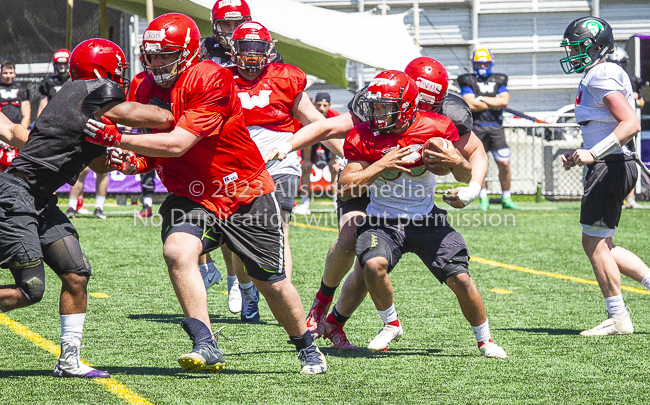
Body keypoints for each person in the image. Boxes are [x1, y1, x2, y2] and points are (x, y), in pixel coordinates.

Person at [86, 13, 327, 374]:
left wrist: (117, 137)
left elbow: (179, 143)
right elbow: (150, 153)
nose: (156, 63)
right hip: (191, 194)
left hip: (243, 190)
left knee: (270, 283)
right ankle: (205, 342)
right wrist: (127, 160)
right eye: (151, 55)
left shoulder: (210, 77)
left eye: (165, 54)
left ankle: (305, 344)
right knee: (177, 251)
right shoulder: (143, 85)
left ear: (187, 52)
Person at [265, 57, 488, 350]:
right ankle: (321, 304)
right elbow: (326, 129)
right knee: (351, 238)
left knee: (368, 264)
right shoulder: (378, 109)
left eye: (427, 104)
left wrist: (472, 186)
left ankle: (335, 323)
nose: (421, 109)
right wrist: (287, 145)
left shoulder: (445, 118)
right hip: (367, 173)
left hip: (413, 203)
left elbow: (475, 152)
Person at [0, 38, 174, 378]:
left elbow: (98, 164)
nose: (122, 76)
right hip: (16, 195)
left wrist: (118, 155)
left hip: (38, 199)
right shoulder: (91, 91)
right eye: (119, 69)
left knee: (76, 274)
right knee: (30, 289)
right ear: (104, 70)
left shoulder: (75, 96)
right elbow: (155, 118)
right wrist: (174, 111)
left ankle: (68, 360)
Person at [336, 70, 506, 357]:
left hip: (426, 217)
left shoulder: (437, 126)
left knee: (461, 277)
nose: (376, 113)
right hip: (382, 219)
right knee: (372, 264)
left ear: (405, 107)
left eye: (384, 106)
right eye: (374, 105)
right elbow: (345, 187)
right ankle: (390, 324)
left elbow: (465, 174)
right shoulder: (363, 136)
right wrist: (379, 164)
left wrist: (456, 162)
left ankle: (486, 340)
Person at [220, 22, 342, 322]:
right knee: (236, 234)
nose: (250, 56)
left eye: (257, 49)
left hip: (281, 159)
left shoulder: (286, 78)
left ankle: (281, 292)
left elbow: (316, 121)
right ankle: (247, 289)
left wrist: (349, 154)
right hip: (238, 164)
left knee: (279, 226)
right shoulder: (221, 79)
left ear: (269, 49)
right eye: (245, 49)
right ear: (233, 50)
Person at [560, 16, 650, 336]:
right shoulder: (602, 73)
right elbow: (604, 126)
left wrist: (594, 154)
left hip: (609, 165)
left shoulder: (600, 75)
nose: (572, 55)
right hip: (612, 163)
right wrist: (581, 152)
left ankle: (618, 317)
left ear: (597, 46)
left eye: (578, 48)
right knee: (605, 243)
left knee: (593, 242)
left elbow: (629, 124)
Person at [197, 0, 283, 313]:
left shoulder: (261, 51)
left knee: (237, 217)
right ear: (213, 24)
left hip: (247, 141)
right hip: (208, 135)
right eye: (225, 25)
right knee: (205, 211)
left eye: (237, 25)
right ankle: (216, 271)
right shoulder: (203, 49)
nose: (232, 32)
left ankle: (239, 281)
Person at [457, 48, 518, 210]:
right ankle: (483, 198)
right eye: (479, 63)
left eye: (485, 62)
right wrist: (493, 101)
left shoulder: (500, 79)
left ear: (491, 63)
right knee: (478, 165)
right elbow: (470, 103)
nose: (482, 66)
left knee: (504, 164)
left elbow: (504, 102)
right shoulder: (467, 80)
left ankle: (506, 197)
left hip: (496, 128)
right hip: (476, 128)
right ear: (473, 64)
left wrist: (481, 98)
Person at [605, 47, 646, 209]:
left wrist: (634, 99)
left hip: (627, 125)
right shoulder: (605, 79)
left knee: (630, 160)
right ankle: (612, 197)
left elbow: (642, 103)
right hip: (610, 126)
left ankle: (630, 198)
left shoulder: (631, 79)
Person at [294, 92, 341, 215]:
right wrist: (307, 160)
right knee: (306, 168)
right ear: (314, 104)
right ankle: (304, 204)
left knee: (334, 168)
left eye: (324, 105)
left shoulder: (334, 116)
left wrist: (332, 159)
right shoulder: (308, 117)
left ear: (329, 105)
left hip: (329, 142)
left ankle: (337, 203)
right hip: (311, 142)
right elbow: (307, 138)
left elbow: (335, 137)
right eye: (319, 105)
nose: (321, 108)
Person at [37, 49, 72, 117]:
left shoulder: (76, 81)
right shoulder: (48, 82)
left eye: (65, 63)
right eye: (59, 64)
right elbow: (42, 108)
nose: (62, 66)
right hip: (53, 119)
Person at [0, 61, 31, 129]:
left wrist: (21, 131)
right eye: (5, 73)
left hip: (17, 127)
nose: (8, 76)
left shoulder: (22, 90)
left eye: (11, 73)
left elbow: (26, 116)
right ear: (1, 74)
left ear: (15, 74)